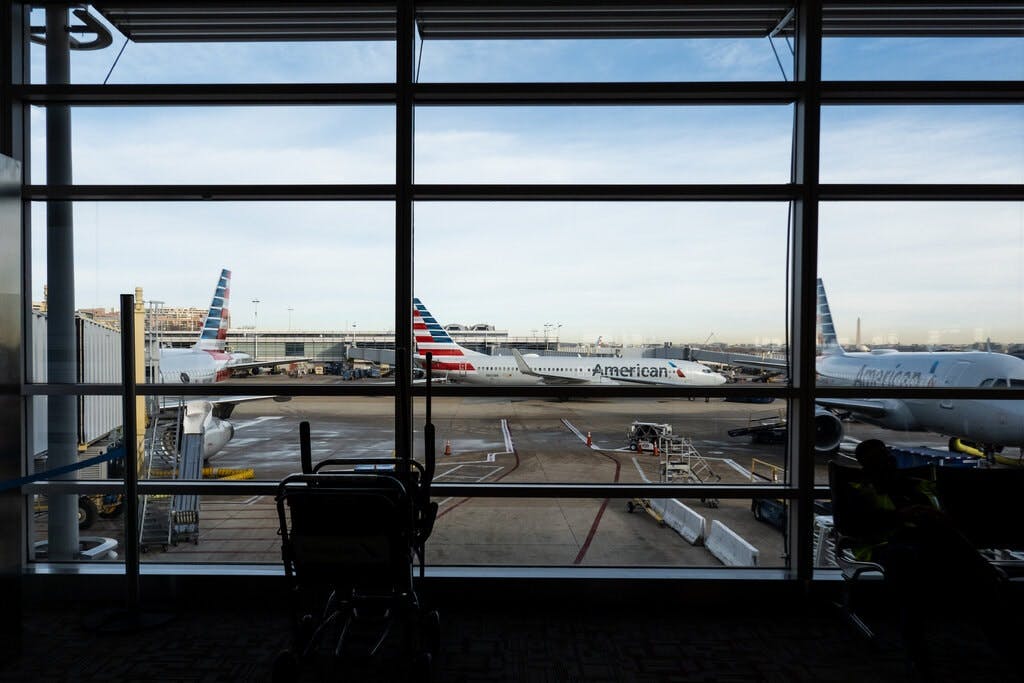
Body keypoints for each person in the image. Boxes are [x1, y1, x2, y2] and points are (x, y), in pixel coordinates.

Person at [849, 440, 1014, 678]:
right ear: (866, 465)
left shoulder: (913, 485)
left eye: (886, 456)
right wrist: (898, 516)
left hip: (922, 543)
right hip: (884, 546)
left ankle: (998, 627)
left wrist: (929, 513)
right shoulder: (859, 489)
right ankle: (918, 648)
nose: (887, 461)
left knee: (946, 544)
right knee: (914, 562)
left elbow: (943, 513)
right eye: (880, 458)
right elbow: (857, 526)